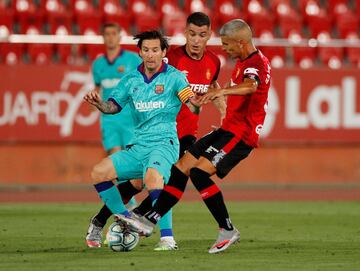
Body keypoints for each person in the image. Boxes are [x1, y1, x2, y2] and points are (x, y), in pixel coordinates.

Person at [116, 19, 272, 254]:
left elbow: (251, 86)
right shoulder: (245, 61)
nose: (225, 49)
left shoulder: (255, 63)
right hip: (227, 129)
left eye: (228, 44)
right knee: (181, 167)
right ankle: (148, 219)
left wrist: (221, 91)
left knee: (199, 173)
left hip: (241, 134)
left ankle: (227, 229)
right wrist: (223, 109)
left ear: (241, 42)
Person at [88, 12, 225, 250]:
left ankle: (163, 235)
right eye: (192, 34)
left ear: (209, 36)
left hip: (177, 135)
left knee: (158, 179)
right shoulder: (165, 60)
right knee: (137, 182)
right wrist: (100, 104)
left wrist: (220, 113)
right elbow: (115, 105)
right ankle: (120, 219)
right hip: (143, 139)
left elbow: (200, 93)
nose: (196, 40)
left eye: (201, 35)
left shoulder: (210, 63)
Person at [85, 22, 141, 248]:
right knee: (118, 165)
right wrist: (94, 102)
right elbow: (99, 88)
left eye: (113, 34)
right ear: (103, 37)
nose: (110, 38)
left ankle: (125, 208)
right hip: (109, 120)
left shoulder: (131, 60)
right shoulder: (98, 64)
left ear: (120, 36)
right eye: (106, 34)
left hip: (129, 119)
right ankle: (128, 209)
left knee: (129, 168)